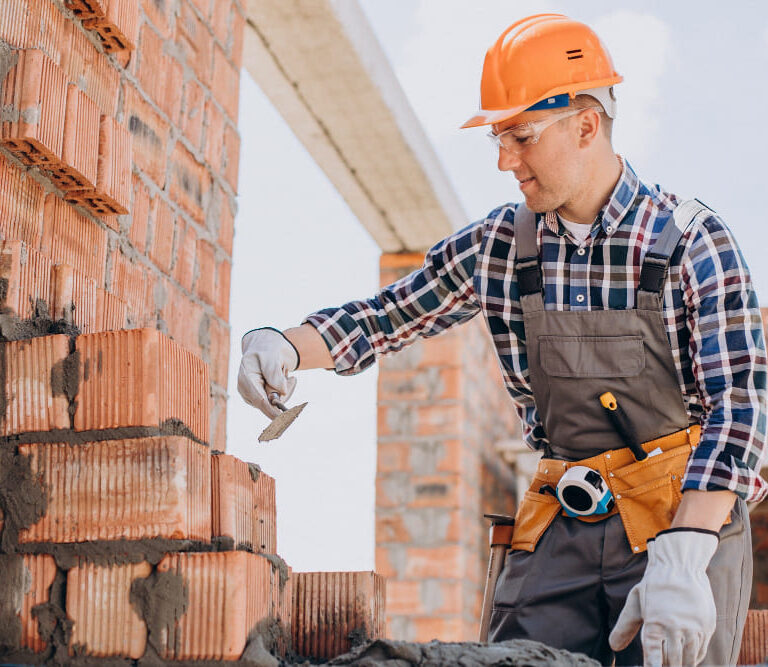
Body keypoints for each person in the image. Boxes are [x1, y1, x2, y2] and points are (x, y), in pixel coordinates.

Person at [237, 13, 767, 667]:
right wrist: (284, 344)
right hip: (565, 519)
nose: (504, 160)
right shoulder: (503, 246)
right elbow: (386, 315)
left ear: (585, 125)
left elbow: (739, 410)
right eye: (498, 137)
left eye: (521, 136)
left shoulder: (689, 240)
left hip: (680, 516)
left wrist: (687, 550)